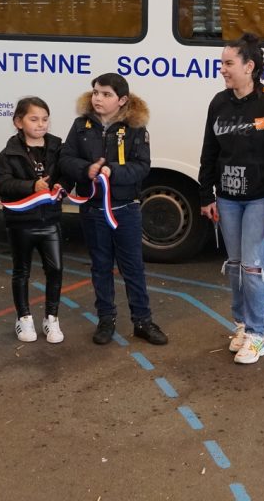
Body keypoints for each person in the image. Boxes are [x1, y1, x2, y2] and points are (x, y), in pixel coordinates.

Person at [199, 33, 264, 365]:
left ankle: (257, 335)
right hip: (226, 199)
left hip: (260, 200)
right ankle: (241, 324)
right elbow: (209, 152)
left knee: (254, 267)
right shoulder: (218, 103)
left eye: (228, 63)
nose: (222, 69)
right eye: (222, 63)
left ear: (249, 66)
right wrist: (205, 193)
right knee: (237, 266)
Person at [59, 73, 167, 347]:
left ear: (122, 100)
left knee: (132, 267)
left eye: (106, 94)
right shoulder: (81, 126)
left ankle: (142, 320)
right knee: (101, 267)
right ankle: (105, 319)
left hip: (125, 209)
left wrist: (113, 171)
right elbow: (66, 158)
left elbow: (142, 166)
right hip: (93, 210)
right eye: (96, 92)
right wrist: (87, 169)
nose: (98, 98)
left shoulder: (135, 129)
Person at [0, 96, 66, 344]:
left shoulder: (57, 148)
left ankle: (52, 318)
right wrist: (31, 186)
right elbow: (3, 184)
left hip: (50, 221)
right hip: (21, 223)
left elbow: (68, 175)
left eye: (45, 119)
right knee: (21, 271)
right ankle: (24, 318)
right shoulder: (7, 154)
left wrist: (61, 186)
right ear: (18, 122)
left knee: (55, 269)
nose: (40, 124)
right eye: (34, 119)